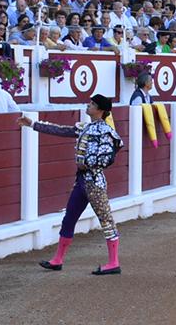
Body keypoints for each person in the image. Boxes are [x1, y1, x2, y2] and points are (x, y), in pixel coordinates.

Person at [23, 94, 124, 275]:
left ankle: (114, 262)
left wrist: (88, 163)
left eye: (92, 104)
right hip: (82, 182)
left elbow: (106, 157)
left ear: (100, 110)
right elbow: (60, 130)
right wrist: (32, 124)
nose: (88, 105)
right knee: (69, 218)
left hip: (94, 182)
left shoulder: (105, 131)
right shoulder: (86, 128)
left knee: (106, 220)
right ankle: (58, 260)